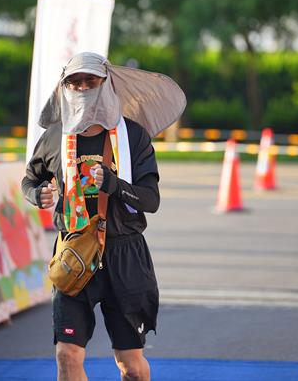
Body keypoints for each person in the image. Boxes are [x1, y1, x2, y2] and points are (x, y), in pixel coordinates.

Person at [22, 52, 186, 381]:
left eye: (90, 80)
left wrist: (113, 184)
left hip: (124, 255)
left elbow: (151, 201)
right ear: (64, 88)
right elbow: (31, 178)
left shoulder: (133, 136)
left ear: (106, 83)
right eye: (74, 82)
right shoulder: (55, 136)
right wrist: (36, 194)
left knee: (131, 367)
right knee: (66, 355)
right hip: (74, 253)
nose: (82, 87)